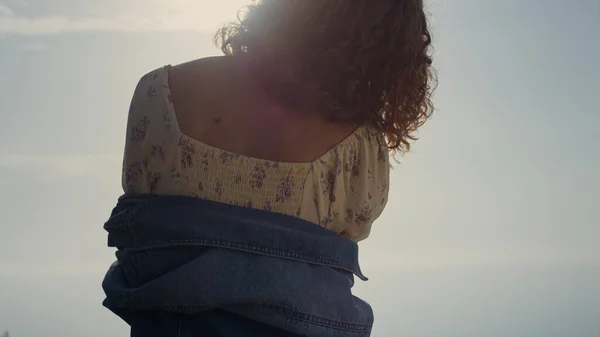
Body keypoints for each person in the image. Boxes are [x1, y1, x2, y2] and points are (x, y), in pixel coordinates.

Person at [102, 1, 435, 336]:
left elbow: (139, 195)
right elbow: (343, 241)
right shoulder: (359, 147)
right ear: (387, 41)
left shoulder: (159, 91)